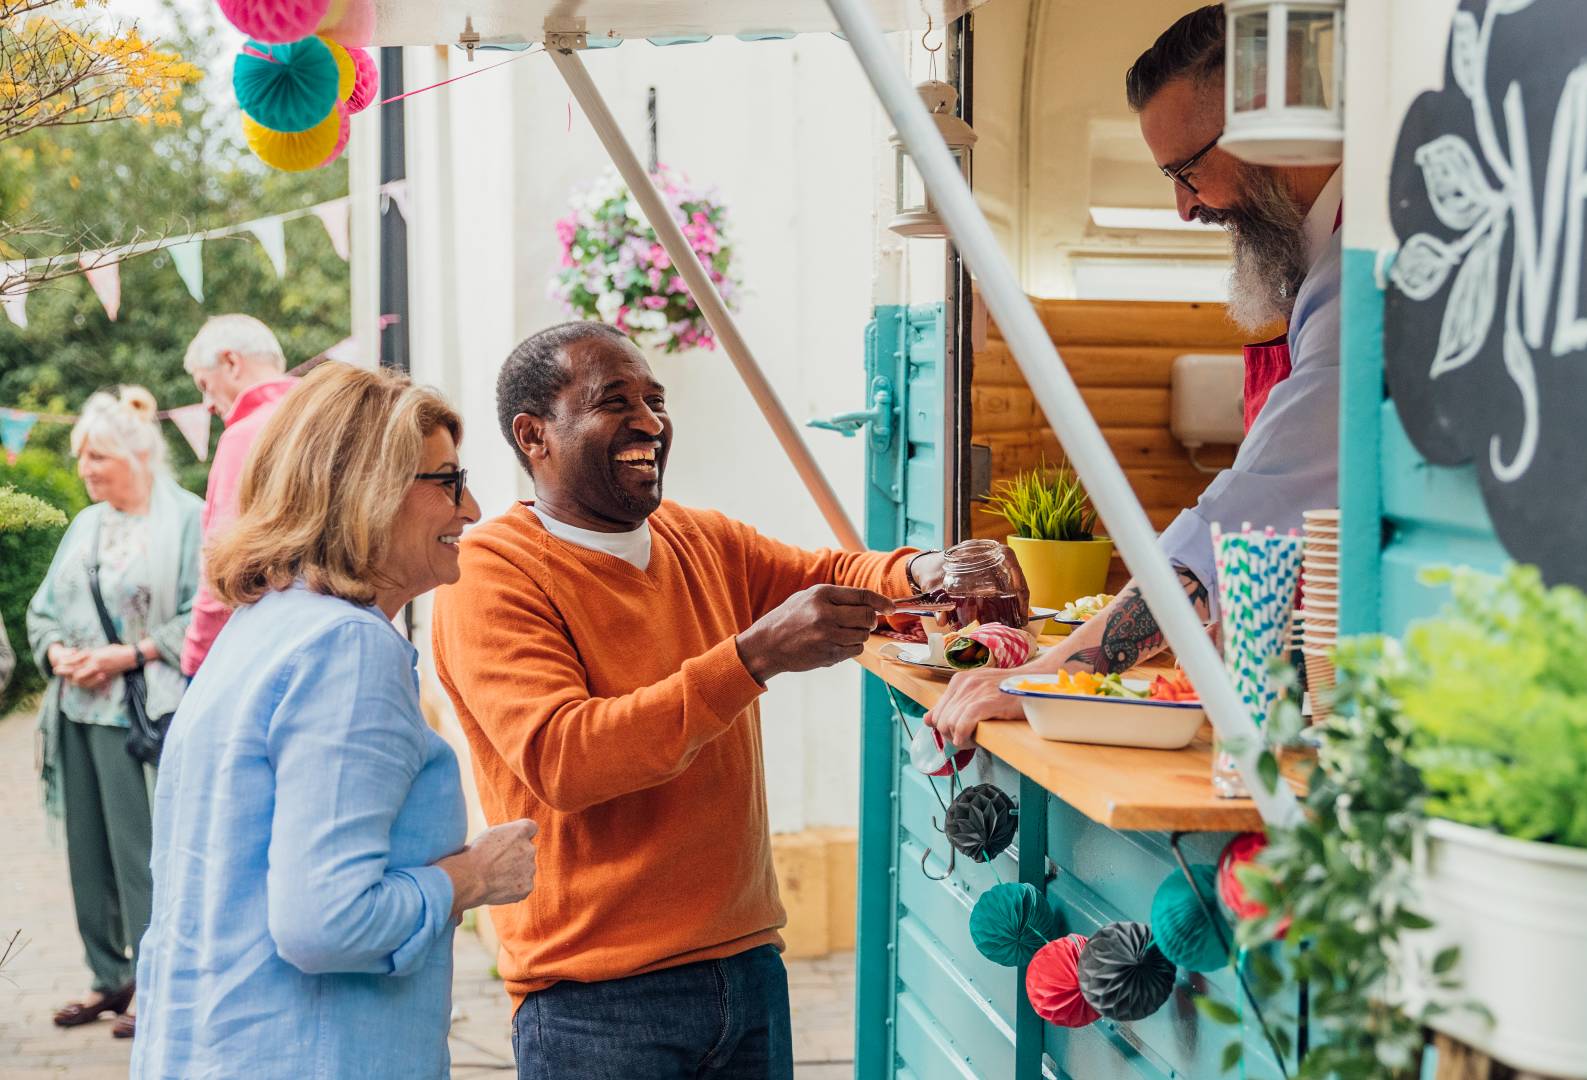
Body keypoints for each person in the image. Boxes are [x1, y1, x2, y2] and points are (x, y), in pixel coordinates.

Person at [432, 321, 954, 1079]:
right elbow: (566, 758)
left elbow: (831, 571)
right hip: (596, 1000)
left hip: (747, 968)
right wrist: (755, 656)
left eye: (655, 399)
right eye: (615, 402)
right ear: (533, 434)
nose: (650, 423)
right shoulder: (492, 572)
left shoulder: (698, 538)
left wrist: (932, 570)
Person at [930, 2, 1343, 748]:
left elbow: (1243, 514)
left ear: (1262, 125)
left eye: (1187, 172)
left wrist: (1048, 675)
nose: (1184, 208)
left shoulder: (1358, 277)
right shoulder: (1322, 266)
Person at [133, 364, 539, 1079]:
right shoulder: (346, 649)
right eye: (446, 481)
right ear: (368, 490)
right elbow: (328, 921)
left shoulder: (260, 628)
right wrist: (473, 877)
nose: (471, 507)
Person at [26, 387, 202, 1039]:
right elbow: (42, 608)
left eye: (97, 457)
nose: (85, 471)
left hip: (141, 716)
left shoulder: (186, 519)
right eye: (82, 459)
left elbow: (202, 615)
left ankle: (159, 984)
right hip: (76, 709)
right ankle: (109, 977)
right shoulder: (86, 525)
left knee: (141, 854)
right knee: (86, 854)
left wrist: (128, 654)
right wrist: (57, 653)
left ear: (137, 455)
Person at [177, 313, 298, 676]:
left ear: (230, 362)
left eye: (204, 384)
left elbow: (222, 566)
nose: (208, 405)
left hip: (267, 649)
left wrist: (196, 659)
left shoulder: (246, 436)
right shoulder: (329, 419)